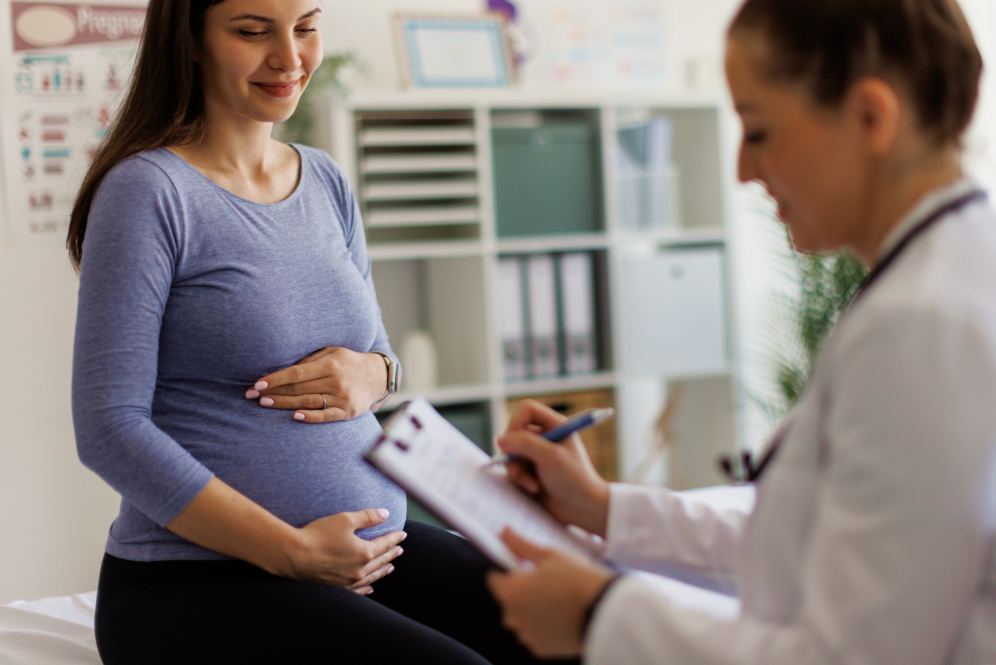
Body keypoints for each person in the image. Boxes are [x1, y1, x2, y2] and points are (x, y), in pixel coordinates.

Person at [485, 0, 996, 663]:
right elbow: (814, 542)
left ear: (872, 117)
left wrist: (600, 615)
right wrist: (603, 507)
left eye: (758, 130)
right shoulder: (944, 274)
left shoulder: (922, 325)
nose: (741, 170)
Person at [68, 1, 572, 663]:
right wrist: (292, 551)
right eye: (253, 31)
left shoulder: (324, 179)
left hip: (367, 555)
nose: (289, 57)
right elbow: (109, 430)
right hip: (197, 578)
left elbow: (377, 356)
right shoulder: (148, 191)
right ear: (188, 39)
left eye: (306, 27)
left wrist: (380, 373)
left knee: (578, 627)